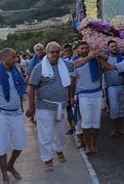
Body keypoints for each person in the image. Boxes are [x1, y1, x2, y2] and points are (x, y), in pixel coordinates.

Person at [26, 42, 95, 171]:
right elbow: (30, 88)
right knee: (46, 135)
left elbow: (77, 64)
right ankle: (47, 160)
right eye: (52, 52)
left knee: (61, 133)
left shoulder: (64, 64)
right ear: (47, 53)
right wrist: (31, 107)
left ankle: (59, 151)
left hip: (61, 106)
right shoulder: (39, 68)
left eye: (57, 52)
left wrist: (90, 57)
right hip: (44, 106)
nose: (55, 54)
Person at [0, 48, 26, 184]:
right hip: (2, 114)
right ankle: (4, 175)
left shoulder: (16, 71)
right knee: (1, 147)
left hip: (17, 113)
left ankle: (10, 165)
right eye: (13, 57)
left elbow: (19, 91)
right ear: (4, 58)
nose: (16, 59)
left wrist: (21, 107)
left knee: (19, 144)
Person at [69, 42, 102, 155]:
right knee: (86, 121)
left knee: (96, 121)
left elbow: (106, 63)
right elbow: (72, 83)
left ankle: (94, 144)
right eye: (82, 48)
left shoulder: (96, 60)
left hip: (97, 93)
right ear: (78, 51)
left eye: (87, 48)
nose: (85, 49)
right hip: (84, 95)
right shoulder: (76, 63)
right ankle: (87, 145)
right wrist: (72, 97)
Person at [99, 40, 124, 136]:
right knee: (114, 108)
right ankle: (114, 128)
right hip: (112, 87)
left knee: (121, 108)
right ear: (108, 48)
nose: (114, 48)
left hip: (123, 86)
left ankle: (120, 128)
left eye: (115, 46)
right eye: (112, 46)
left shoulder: (122, 58)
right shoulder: (105, 59)